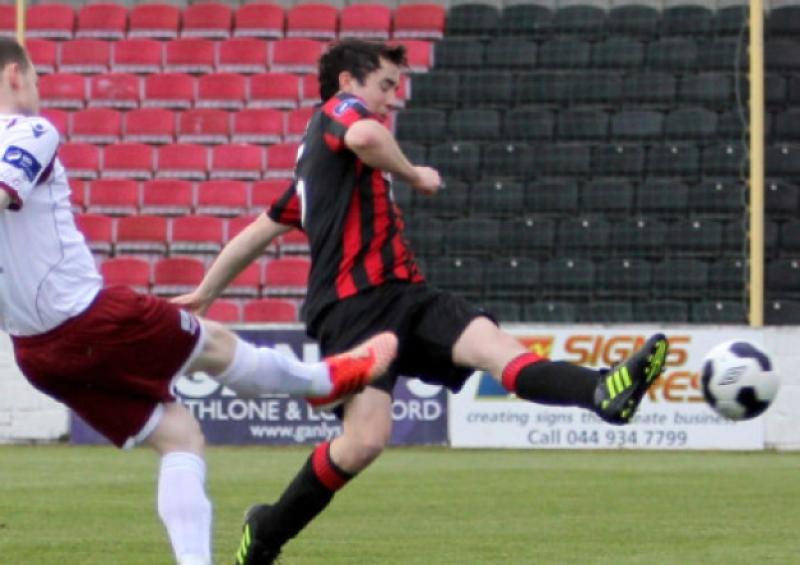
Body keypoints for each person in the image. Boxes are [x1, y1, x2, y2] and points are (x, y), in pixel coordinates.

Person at [175, 39, 670, 564]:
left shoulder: (311, 172)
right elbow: (365, 134)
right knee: (365, 441)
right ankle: (267, 531)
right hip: (356, 306)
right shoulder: (337, 115)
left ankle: (602, 390)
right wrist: (413, 174)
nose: (392, 99)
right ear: (348, 82)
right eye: (385, 85)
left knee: (496, 350)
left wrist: (207, 292)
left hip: (409, 294)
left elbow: (257, 232)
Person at [0, 38, 399, 565]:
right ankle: (323, 382)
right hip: (85, 317)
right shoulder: (29, 129)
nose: (37, 89)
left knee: (179, 436)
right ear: (13, 76)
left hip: (34, 353)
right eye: (34, 78)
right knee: (214, 344)